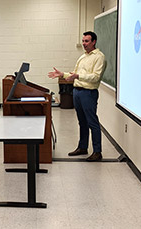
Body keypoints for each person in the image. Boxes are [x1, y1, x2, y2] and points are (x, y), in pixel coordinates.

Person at [48, 31, 105, 162]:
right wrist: (63, 74)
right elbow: (75, 73)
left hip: (88, 93)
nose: (84, 44)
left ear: (94, 42)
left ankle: (97, 152)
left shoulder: (99, 57)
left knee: (92, 122)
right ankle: (82, 147)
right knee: (82, 122)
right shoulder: (83, 57)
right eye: (83, 41)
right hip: (77, 92)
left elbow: (95, 77)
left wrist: (77, 76)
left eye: (87, 41)